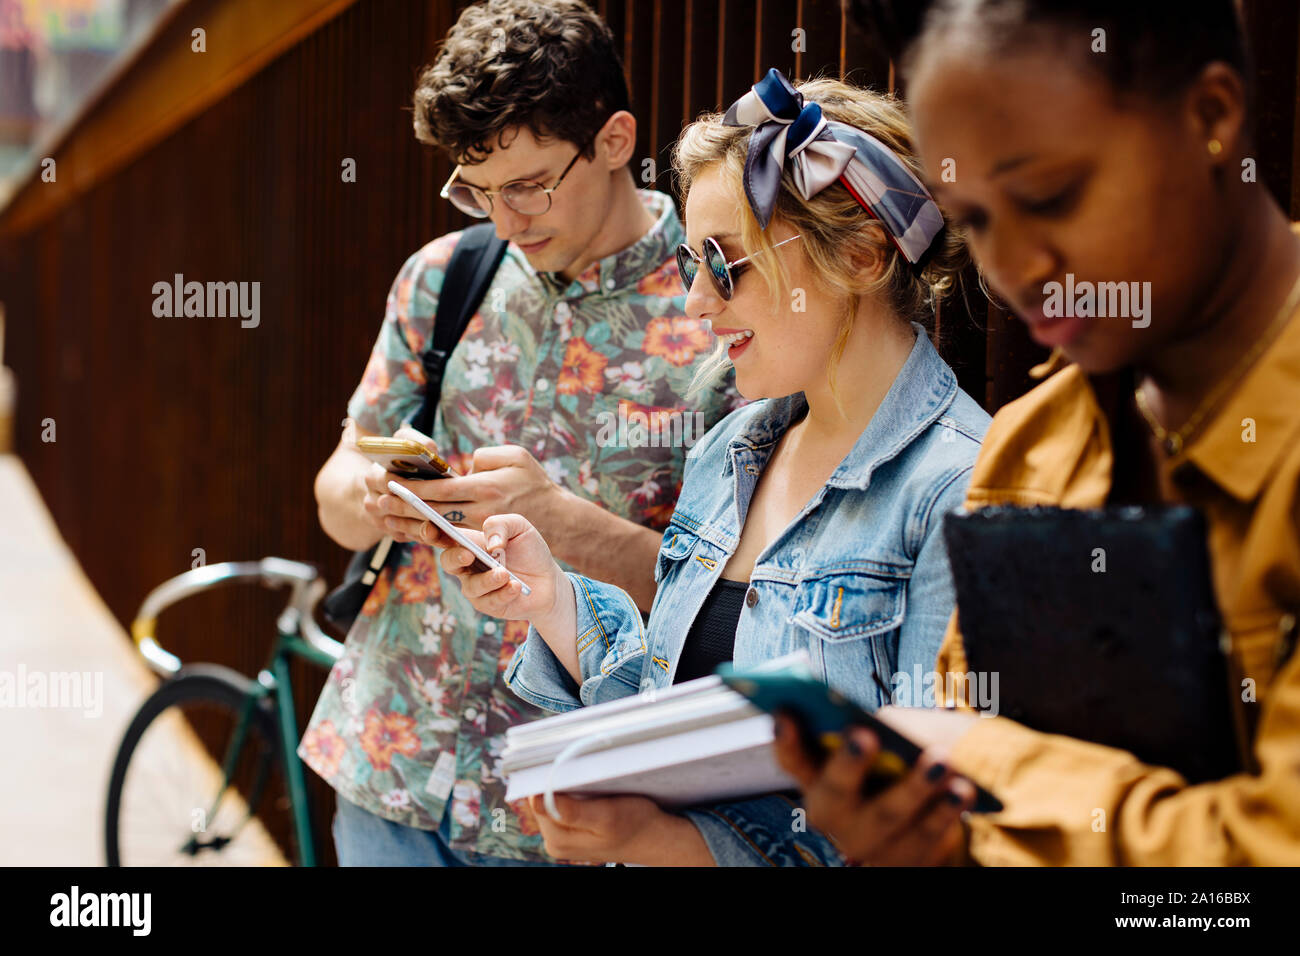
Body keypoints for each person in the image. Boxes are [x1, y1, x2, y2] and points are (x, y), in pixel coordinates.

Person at [421, 70, 990, 865]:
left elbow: (937, 835)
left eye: (724, 265)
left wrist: (678, 845)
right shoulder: (733, 447)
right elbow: (673, 709)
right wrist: (552, 601)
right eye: (691, 262)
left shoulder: (962, 492)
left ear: (860, 255)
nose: (694, 301)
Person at [778, 0, 1300, 865]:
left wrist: (981, 766)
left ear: (1210, 117)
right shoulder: (1027, 445)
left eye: (1050, 195)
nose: (1014, 268)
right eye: (974, 218)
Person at [300, 0, 740, 866]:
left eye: (530, 186)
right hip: (389, 761)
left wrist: (566, 524)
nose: (503, 221)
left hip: (567, 805)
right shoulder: (443, 277)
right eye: (478, 189)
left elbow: (735, 607)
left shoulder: (716, 315)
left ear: (615, 140)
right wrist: (372, 496)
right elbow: (333, 493)